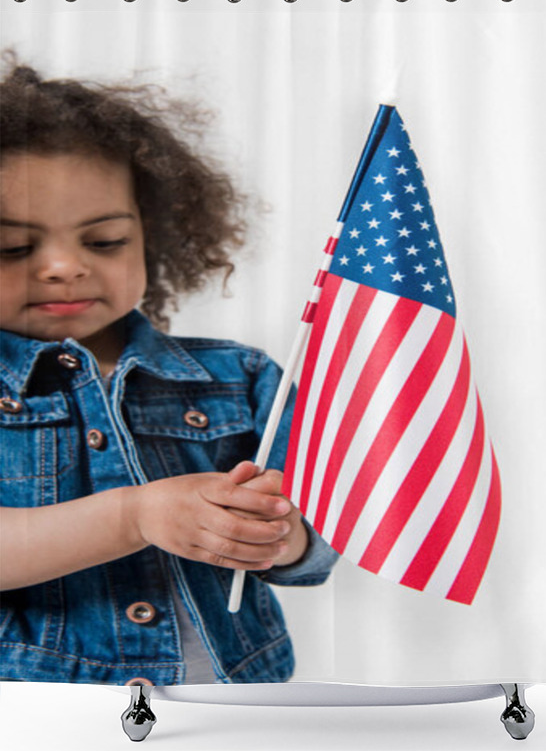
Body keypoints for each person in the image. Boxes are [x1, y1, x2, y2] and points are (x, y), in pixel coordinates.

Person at [0, 59, 339, 685]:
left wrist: (279, 538)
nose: (62, 267)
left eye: (103, 241)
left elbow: (321, 535)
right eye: (14, 248)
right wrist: (134, 516)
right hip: (35, 715)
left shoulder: (238, 376)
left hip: (230, 706)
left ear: (151, 237)